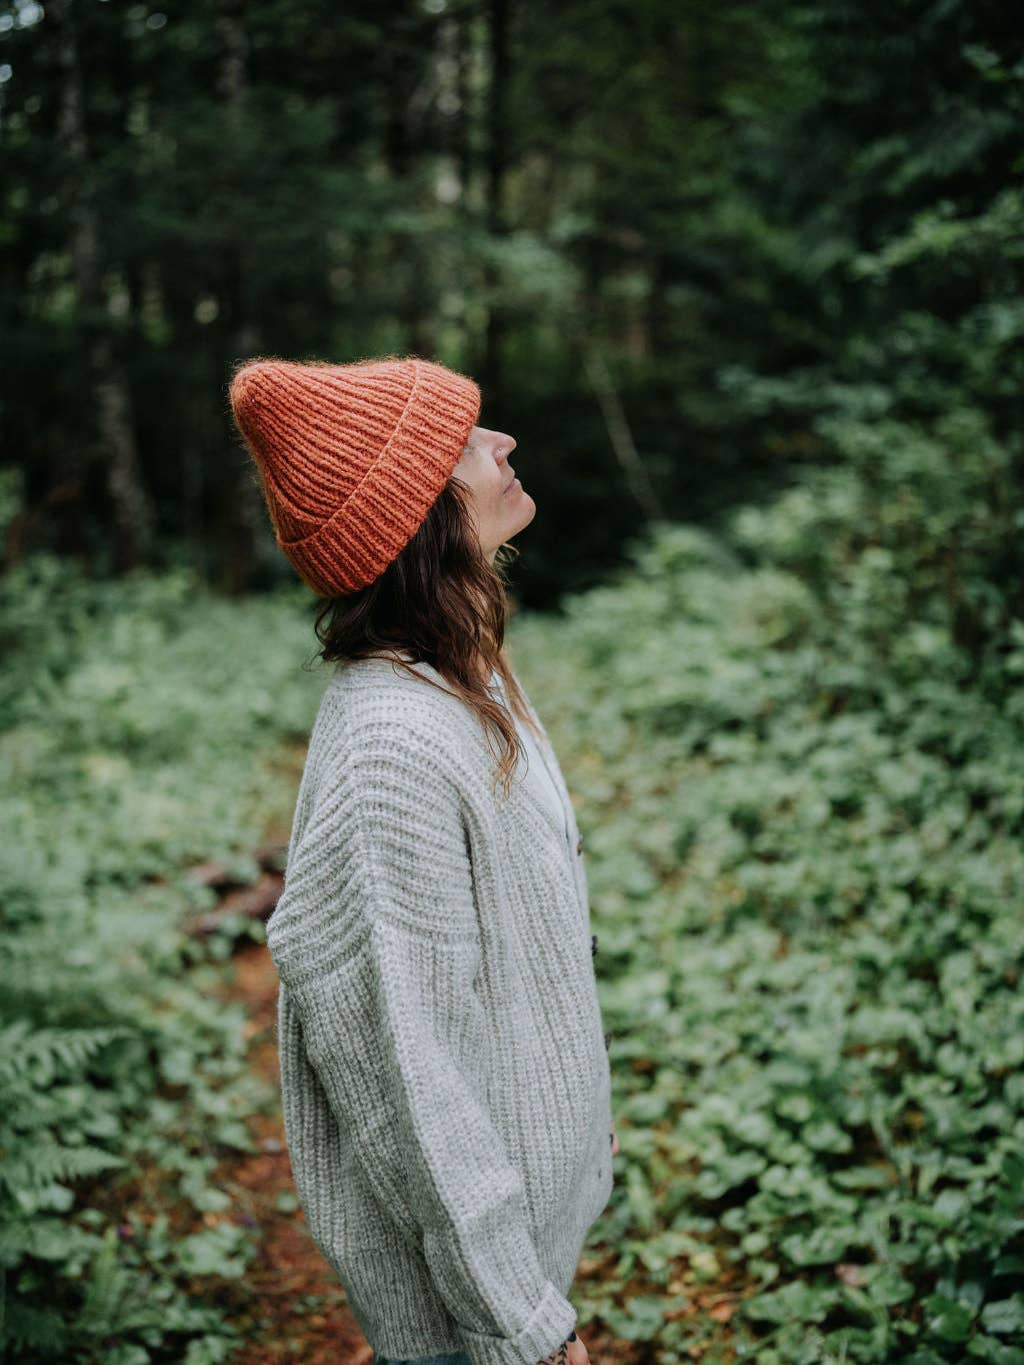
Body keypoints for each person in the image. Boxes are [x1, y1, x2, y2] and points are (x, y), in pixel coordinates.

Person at [228, 354, 619, 1365]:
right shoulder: (391, 752)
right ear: (420, 514)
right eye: (468, 440)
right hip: (473, 1304)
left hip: (521, 1241)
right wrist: (524, 1326)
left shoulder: (466, 678)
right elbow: (412, 1080)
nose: (505, 444)